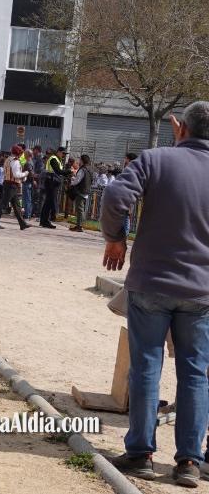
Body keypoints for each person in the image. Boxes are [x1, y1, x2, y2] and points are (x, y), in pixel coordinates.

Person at [102, 102, 209, 488]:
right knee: (195, 373)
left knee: (147, 366)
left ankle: (140, 454)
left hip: (151, 282)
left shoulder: (155, 159)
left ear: (181, 128)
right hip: (201, 290)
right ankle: (189, 462)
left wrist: (116, 238)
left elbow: (115, 196)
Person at [0, 145, 30, 231]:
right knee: (4, 204)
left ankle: (22, 223)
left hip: (8, 183)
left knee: (16, 206)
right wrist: (25, 173)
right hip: (12, 185)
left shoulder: (8, 159)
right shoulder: (15, 161)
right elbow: (16, 175)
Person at [39, 147, 67, 229]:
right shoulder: (54, 159)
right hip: (51, 181)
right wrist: (68, 172)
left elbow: (59, 172)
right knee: (51, 201)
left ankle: (44, 221)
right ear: (58, 152)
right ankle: (49, 218)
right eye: (63, 153)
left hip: (52, 181)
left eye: (65, 154)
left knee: (47, 202)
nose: (64, 155)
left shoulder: (57, 159)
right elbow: (58, 171)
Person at [68, 154, 95, 232]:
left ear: (82, 161)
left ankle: (79, 226)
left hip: (80, 191)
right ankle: (79, 225)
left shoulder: (83, 169)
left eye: (80, 160)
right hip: (86, 191)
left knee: (80, 209)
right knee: (81, 209)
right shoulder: (90, 169)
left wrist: (72, 183)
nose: (79, 161)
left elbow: (77, 180)